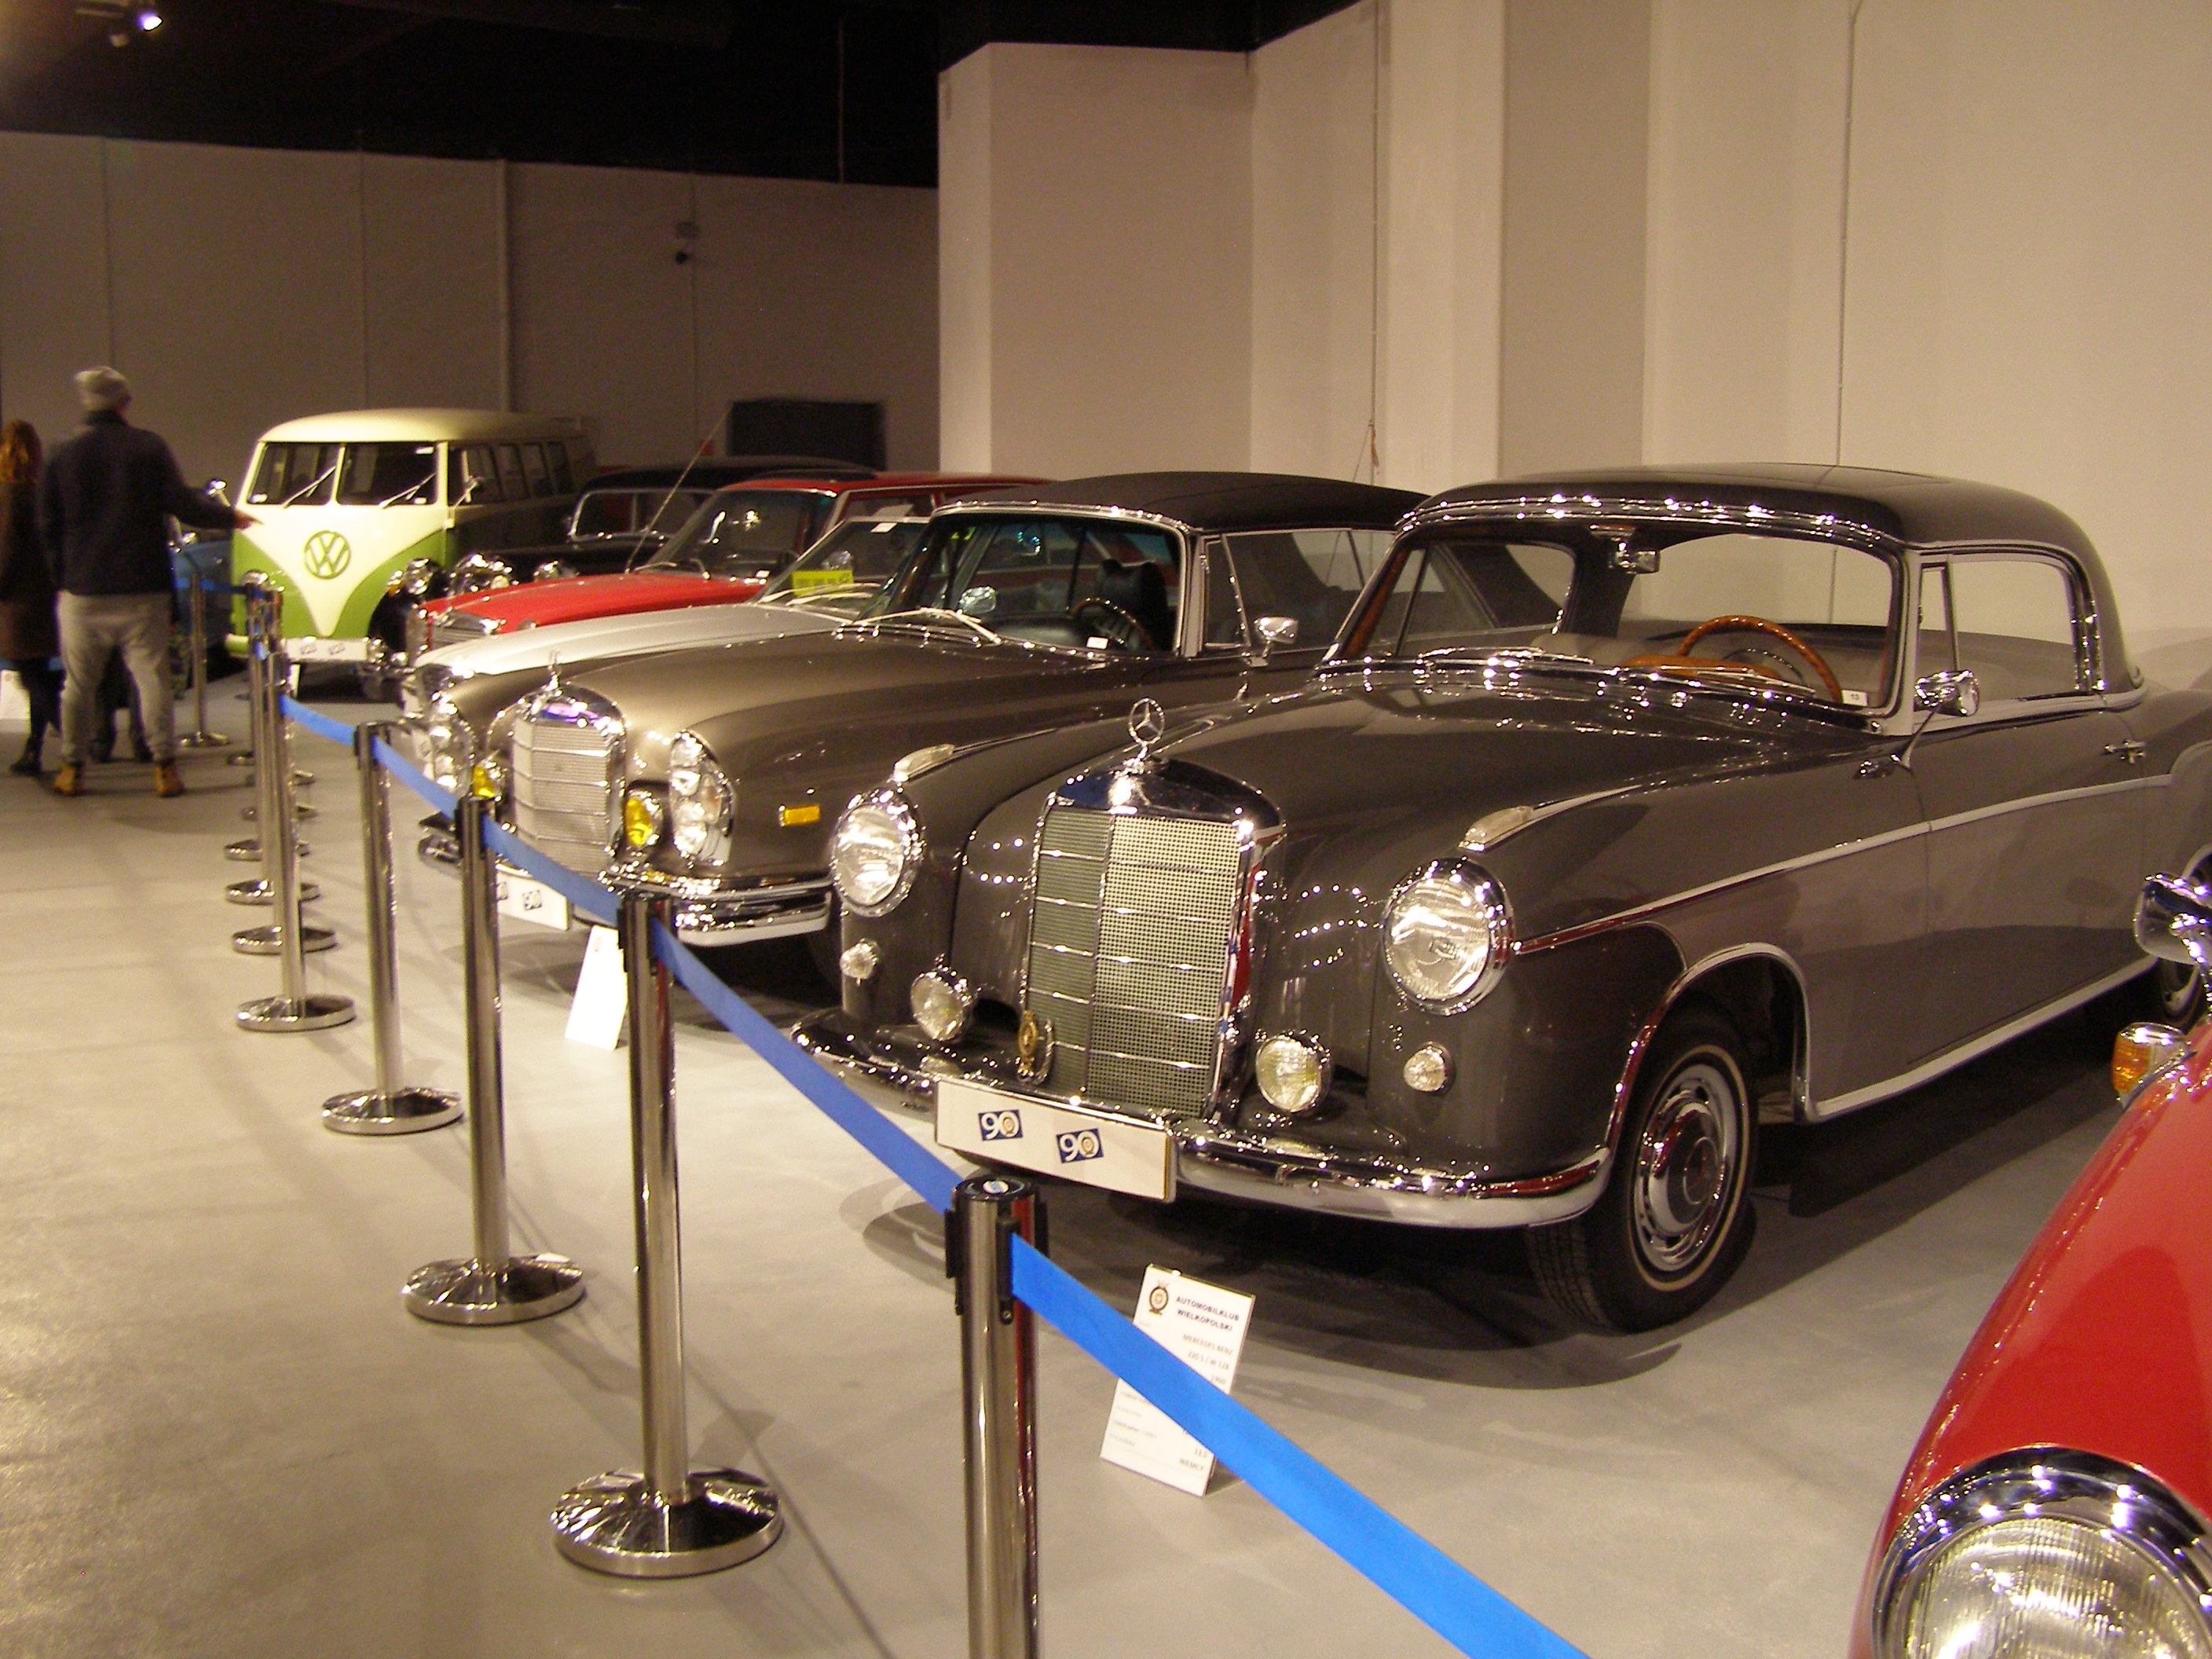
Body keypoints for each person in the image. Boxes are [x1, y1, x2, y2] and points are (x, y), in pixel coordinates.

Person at [39, 367, 251, 797]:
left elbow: (47, 524)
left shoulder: (61, 451)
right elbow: (181, 503)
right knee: (151, 680)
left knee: (78, 685)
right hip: (143, 588)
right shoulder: (147, 447)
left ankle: (72, 767)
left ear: (86, 401)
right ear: (124, 402)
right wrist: (229, 516)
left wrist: (62, 579)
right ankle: (163, 767)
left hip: (83, 590)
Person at [0, 419, 60, 776]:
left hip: (17, 601)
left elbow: (6, 548)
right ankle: (35, 747)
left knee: (30, 676)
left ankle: (67, 733)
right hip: (42, 595)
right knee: (36, 672)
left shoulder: (9, 495)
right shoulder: (41, 494)